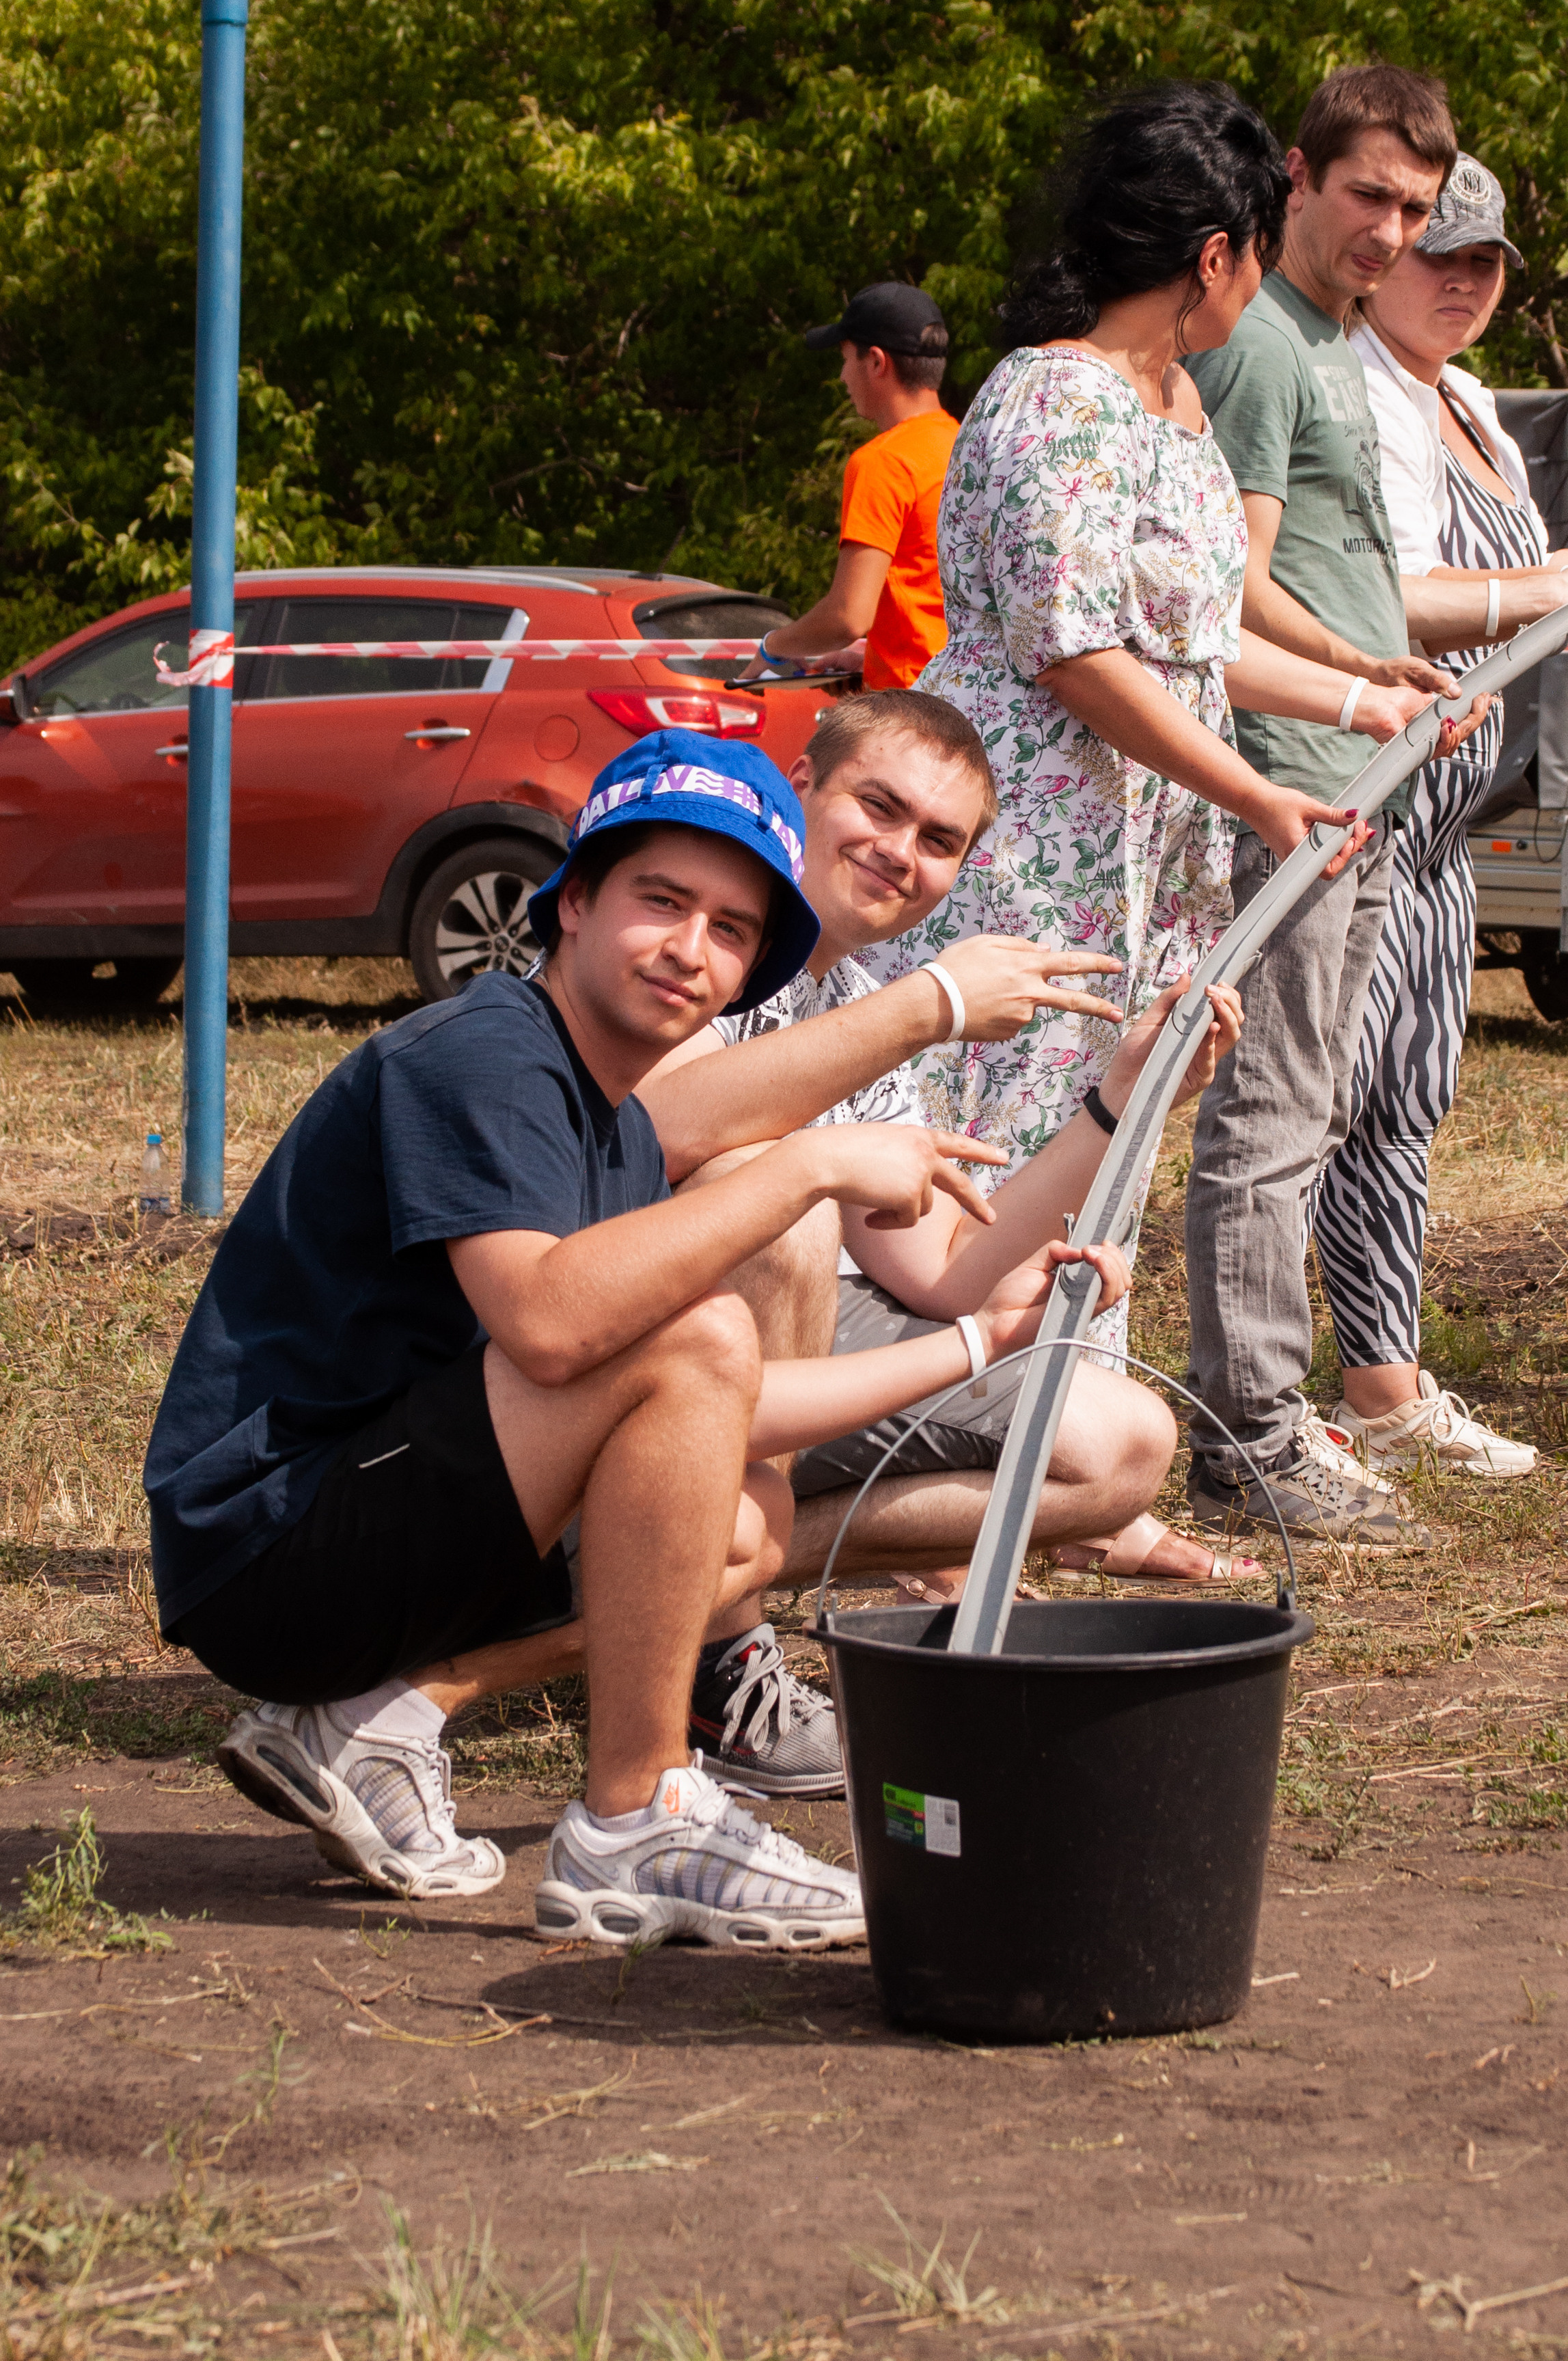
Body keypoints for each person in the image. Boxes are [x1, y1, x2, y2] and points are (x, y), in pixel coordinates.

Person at [144, 730, 1128, 1939]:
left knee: (746, 1518)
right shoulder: (486, 1053)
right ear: (572, 905)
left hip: (398, 1535)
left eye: (729, 930)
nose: (689, 950)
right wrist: (807, 1167)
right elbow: (554, 1327)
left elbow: (725, 1412)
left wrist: (982, 1341)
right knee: (703, 1329)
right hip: (275, 1557)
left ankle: (377, 1727)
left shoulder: (608, 1112)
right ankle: (637, 1820)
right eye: (660, 901)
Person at [862, 81, 1446, 1373]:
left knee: (1118, 1115)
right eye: (1252, 249)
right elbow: (1074, 653)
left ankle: (1085, 1432)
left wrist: (1363, 694)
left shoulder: (1173, 404)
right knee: (1024, 1120)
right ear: (1212, 256)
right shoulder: (1054, 400)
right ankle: (969, 1422)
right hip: (1039, 847)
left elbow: (1196, 641)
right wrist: (1253, 795)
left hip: (1144, 860)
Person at [642, 690, 1250, 1631]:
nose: (898, 851)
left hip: (781, 1367)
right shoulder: (690, 937)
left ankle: (695, 1566)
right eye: (877, 807)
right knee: (786, 1193)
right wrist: (933, 1002)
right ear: (801, 783)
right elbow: (665, 1123)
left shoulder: (850, 995)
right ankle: (693, 1616)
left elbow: (947, 1271)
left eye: (937, 839)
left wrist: (1119, 1104)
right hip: (625, 1344)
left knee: (1122, 1445)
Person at [1179, 64, 1498, 1548]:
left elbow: (1314, 577)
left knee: (1317, 1101)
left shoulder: (1332, 341)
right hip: (1292, 786)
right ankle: (1245, 1428)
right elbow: (1229, 589)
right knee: (1276, 1105)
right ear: (1297, 178)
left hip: (1361, 769)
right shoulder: (1259, 347)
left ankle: (1269, 1406)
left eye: (1415, 207)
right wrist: (1353, 683)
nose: (1389, 230)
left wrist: (1388, 669)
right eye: (1367, 194)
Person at [1311, 156, 1568, 1476]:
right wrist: (1538, 591)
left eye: (1484, 260)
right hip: (1381, 782)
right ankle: (1371, 1384)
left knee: (1414, 1084)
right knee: (1351, 1092)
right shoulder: (1362, 392)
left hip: (1453, 812)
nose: (1462, 279)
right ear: (1386, 255)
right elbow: (1387, 598)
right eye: (1437, 253)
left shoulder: (1467, 398)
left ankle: (1387, 1377)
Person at [737, 283, 959, 690]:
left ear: (876, 362)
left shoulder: (883, 461)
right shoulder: (967, 447)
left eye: (844, 360)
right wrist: (870, 655)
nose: (842, 377)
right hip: (971, 698)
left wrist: (774, 648)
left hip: (913, 711)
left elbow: (848, 617)